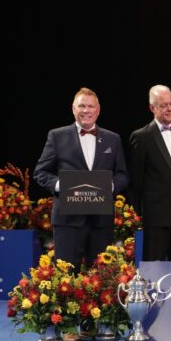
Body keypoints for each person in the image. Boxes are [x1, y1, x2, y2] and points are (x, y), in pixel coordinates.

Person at [34, 87, 129, 272]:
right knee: (66, 278)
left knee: (102, 277)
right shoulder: (57, 136)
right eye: (82, 106)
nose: (86, 110)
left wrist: (109, 185)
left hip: (101, 222)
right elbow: (40, 172)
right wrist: (62, 185)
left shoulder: (113, 139)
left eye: (90, 106)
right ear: (73, 109)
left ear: (98, 109)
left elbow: (123, 175)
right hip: (68, 221)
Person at [129, 85, 171, 261]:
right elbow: (135, 179)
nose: (169, 109)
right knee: (154, 268)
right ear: (152, 108)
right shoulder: (141, 136)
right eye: (163, 105)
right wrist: (142, 210)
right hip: (155, 215)